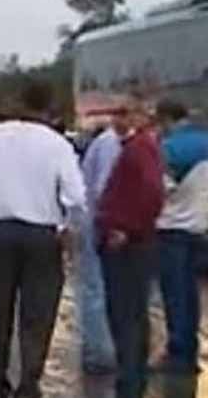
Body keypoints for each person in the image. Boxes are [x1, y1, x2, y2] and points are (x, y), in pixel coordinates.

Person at [0, 80, 85, 398]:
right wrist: (69, 227)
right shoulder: (57, 144)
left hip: (0, 232)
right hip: (42, 234)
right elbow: (75, 195)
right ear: (47, 108)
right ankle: (29, 382)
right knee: (38, 313)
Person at [96, 95, 164, 398]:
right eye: (114, 113)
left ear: (141, 114)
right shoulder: (138, 148)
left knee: (127, 314)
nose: (117, 120)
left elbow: (152, 193)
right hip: (128, 240)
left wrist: (126, 227)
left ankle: (131, 382)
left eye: (124, 113)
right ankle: (132, 378)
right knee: (129, 313)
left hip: (128, 244)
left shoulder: (140, 149)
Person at [153, 99, 208, 375]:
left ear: (166, 120)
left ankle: (178, 354)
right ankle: (191, 350)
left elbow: (160, 189)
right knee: (192, 294)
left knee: (175, 294)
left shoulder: (169, 148)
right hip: (201, 228)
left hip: (172, 228)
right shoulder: (206, 142)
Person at [77, 105, 129, 374]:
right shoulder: (110, 145)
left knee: (97, 287)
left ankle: (100, 349)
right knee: (97, 288)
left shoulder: (109, 143)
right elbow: (103, 188)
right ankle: (98, 353)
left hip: (96, 220)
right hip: (99, 223)